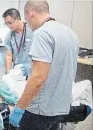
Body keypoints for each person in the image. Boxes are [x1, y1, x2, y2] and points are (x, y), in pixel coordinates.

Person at [8, 1, 79, 130]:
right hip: (61, 107)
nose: (27, 24)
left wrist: (20, 107)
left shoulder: (42, 34)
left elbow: (38, 77)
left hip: (41, 110)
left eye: (26, 19)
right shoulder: (70, 33)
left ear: (30, 14)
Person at [3, 8, 33, 76]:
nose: (9, 26)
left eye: (10, 23)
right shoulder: (9, 36)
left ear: (17, 19)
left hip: (32, 70)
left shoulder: (32, 31)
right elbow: (8, 55)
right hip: (17, 72)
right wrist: (7, 73)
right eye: (6, 24)